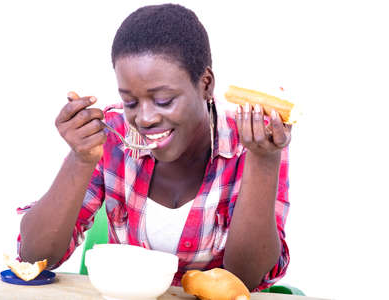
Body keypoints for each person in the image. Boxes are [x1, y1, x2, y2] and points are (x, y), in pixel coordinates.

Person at [17, 3, 292, 291]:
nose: (144, 118)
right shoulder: (112, 135)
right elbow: (35, 257)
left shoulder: (255, 141)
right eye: (130, 102)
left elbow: (247, 278)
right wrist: (80, 159)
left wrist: (263, 162)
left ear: (206, 84)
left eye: (163, 100)